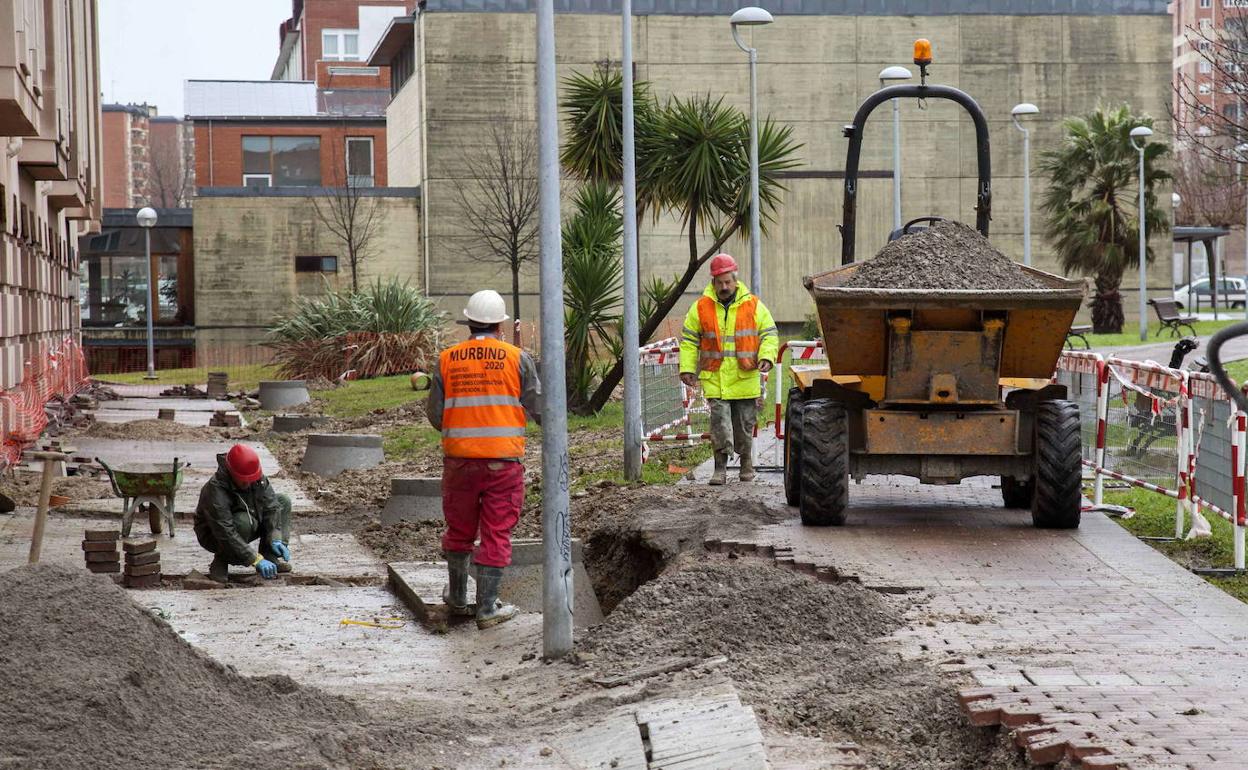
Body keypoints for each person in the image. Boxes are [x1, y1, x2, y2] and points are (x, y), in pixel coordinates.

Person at [428, 289, 542, 629]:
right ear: (500, 325)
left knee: (459, 528)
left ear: (469, 323)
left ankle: (459, 598)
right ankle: (488, 608)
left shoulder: (447, 358)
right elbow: (539, 407)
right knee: (496, 532)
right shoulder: (516, 358)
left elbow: (436, 414)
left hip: (459, 461)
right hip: (502, 463)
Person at [678, 253, 779, 485]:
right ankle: (720, 468)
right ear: (713, 282)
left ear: (735, 280)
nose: (724, 287)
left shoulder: (753, 304)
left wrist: (767, 356)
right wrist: (687, 368)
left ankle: (746, 464)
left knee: (744, 426)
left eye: (728, 282)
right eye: (720, 282)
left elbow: (769, 333)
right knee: (719, 425)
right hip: (716, 378)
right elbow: (689, 341)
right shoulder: (700, 307)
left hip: (745, 378)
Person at [193, 443, 293, 583]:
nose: (249, 483)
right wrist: (254, 559)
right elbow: (224, 531)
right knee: (243, 522)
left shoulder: (255, 477)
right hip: (215, 535)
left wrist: (275, 537)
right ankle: (221, 560)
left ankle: (270, 555)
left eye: (252, 479)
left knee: (283, 501)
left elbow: (272, 507)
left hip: (248, 517)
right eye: (244, 480)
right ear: (232, 473)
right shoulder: (215, 490)